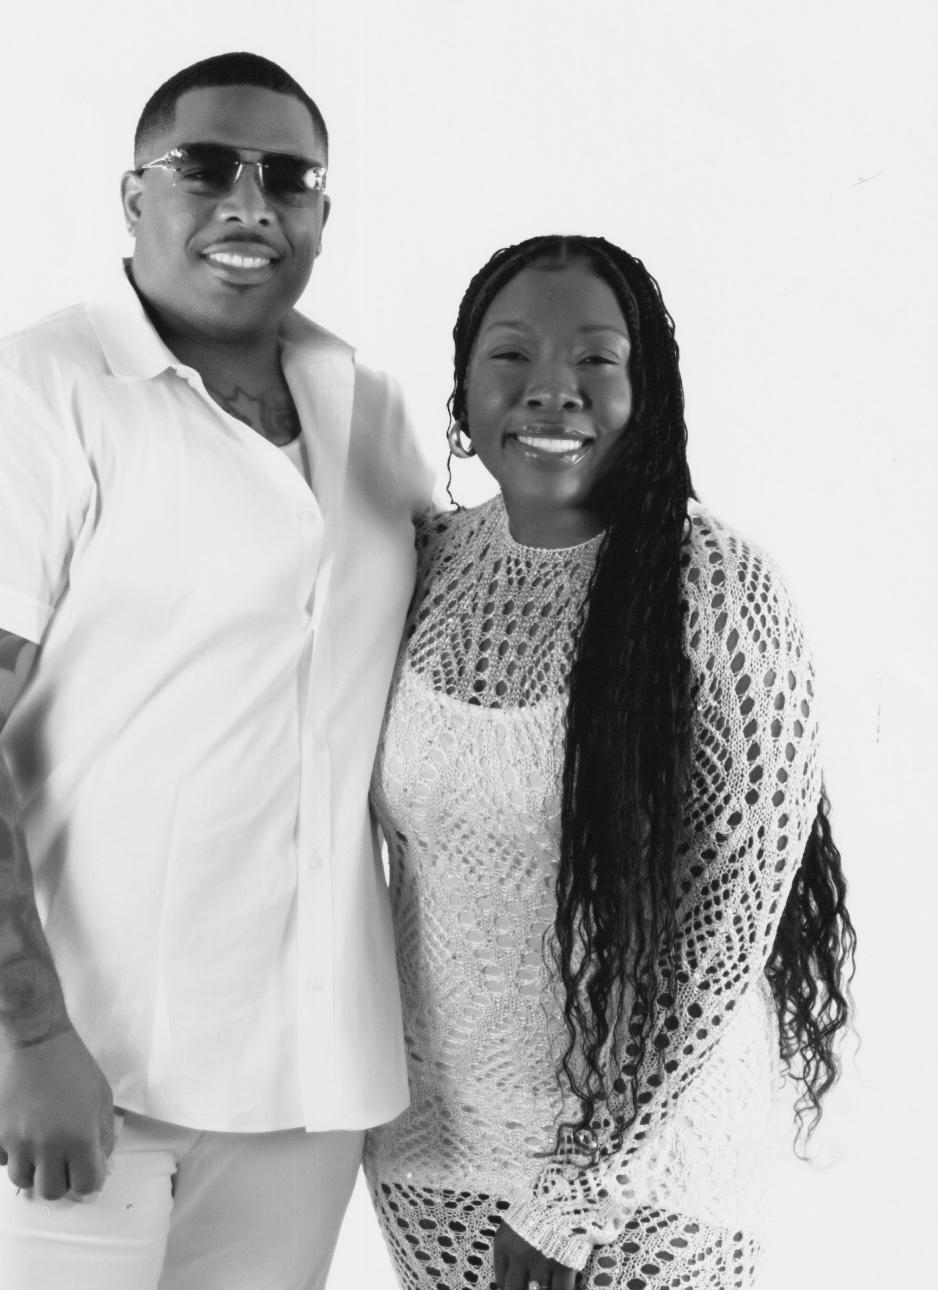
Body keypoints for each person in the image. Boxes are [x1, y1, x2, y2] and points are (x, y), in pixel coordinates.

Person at [0, 51, 432, 1290]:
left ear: (324, 211)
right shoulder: (35, 391)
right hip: (87, 1074)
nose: (249, 204)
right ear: (134, 198)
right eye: (205, 169)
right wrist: (30, 1038)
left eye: (288, 178)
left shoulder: (368, 406)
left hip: (310, 1087)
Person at [362, 235, 855, 1290]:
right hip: (431, 1154)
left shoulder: (717, 590)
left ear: (649, 393)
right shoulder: (424, 564)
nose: (554, 389)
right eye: (513, 355)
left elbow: (729, 925)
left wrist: (583, 1190)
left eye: (596, 359)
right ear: (462, 394)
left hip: (645, 1181)